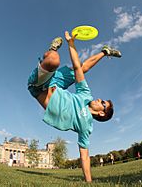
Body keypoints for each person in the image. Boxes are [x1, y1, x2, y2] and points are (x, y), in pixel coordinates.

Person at [27, 31, 121, 182]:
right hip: (57, 83)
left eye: (103, 103)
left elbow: (84, 155)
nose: (99, 99)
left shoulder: (86, 126)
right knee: (81, 69)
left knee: (53, 60)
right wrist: (71, 43)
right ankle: (105, 52)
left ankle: (52, 50)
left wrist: (88, 181)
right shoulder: (86, 95)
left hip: (39, 87)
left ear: (102, 113)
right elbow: (78, 68)